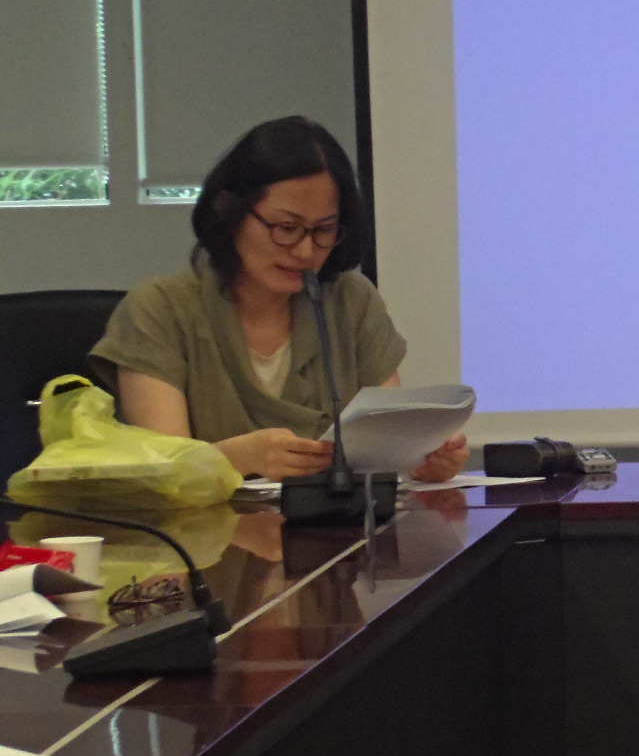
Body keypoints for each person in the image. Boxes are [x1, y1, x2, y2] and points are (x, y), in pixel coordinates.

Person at [89, 116, 470, 482]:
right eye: (287, 228)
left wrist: (420, 460)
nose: (305, 251)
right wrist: (238, 459)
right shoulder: (158, 309)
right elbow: (162, 473)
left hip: (336, 523)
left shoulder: (350, 301)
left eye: (324, 229)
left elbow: (389, 437)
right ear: (230, 211)